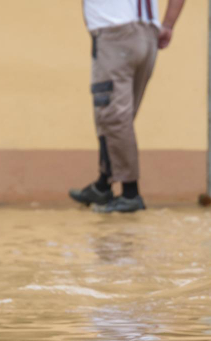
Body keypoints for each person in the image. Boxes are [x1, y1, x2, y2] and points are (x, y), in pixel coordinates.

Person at [69, 0, 187, 214]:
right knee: (121, 116)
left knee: (113, 117)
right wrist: (168, 24)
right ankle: (103, 184)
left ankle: (130, 193)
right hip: (148, 32)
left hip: (115, 32)